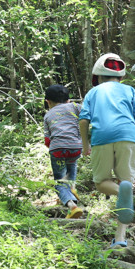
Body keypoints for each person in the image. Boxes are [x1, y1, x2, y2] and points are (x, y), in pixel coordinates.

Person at [79, 53, 135, 248]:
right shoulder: (130, 90)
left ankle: (119, 195)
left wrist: (85, 145)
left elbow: (83, 120)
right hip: (129, 137)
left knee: (101, 183)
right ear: (121, 76)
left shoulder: (94, 93)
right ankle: (119, 239)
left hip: (102, 138)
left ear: (98, 77)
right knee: (127, 186)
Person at [43, 84, 85, 219]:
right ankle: (72, 189)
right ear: (68, 100)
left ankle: (72, 206)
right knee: (71, 165)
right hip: (75, 147)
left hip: (57, 149)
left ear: (48, 102)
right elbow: (87, 115)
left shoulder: (48, 115)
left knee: (60, 181)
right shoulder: (74, 107)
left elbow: (47, 141)